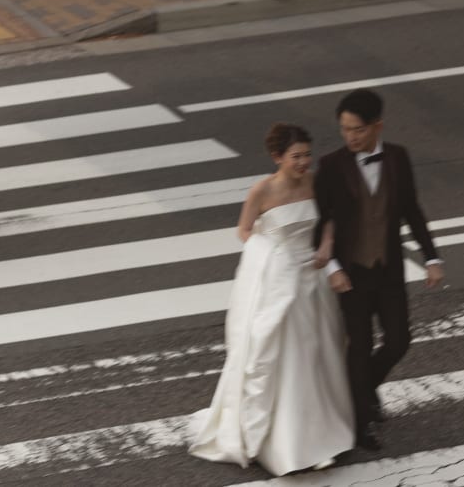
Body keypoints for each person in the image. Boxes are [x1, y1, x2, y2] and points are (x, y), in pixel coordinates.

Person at [190, 123, 355, 476]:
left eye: (307, 155)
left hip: (311, 274)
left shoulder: (315, 183)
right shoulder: (262, 190)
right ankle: (284, 439)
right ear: (277, 157)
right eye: (296, 156)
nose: (304, 162)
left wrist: (327, 245)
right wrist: (269, 255)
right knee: (283, 351)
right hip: (279, 276)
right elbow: (245, 231)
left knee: (315, 352)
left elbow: (328, 220)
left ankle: (317, 431)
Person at [313, 89, 444, 451]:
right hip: (350, 273)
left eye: (357, 129)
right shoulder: (331, 165)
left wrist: (432, 258)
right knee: (360, 347)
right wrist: (333, 268)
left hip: (387, 270)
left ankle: (361, 389)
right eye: (344, 129)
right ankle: (358, 425)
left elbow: (412, 211)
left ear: (377, 126)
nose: (350, 136)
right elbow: (321, 223)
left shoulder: (399, 158)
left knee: (399, 340)